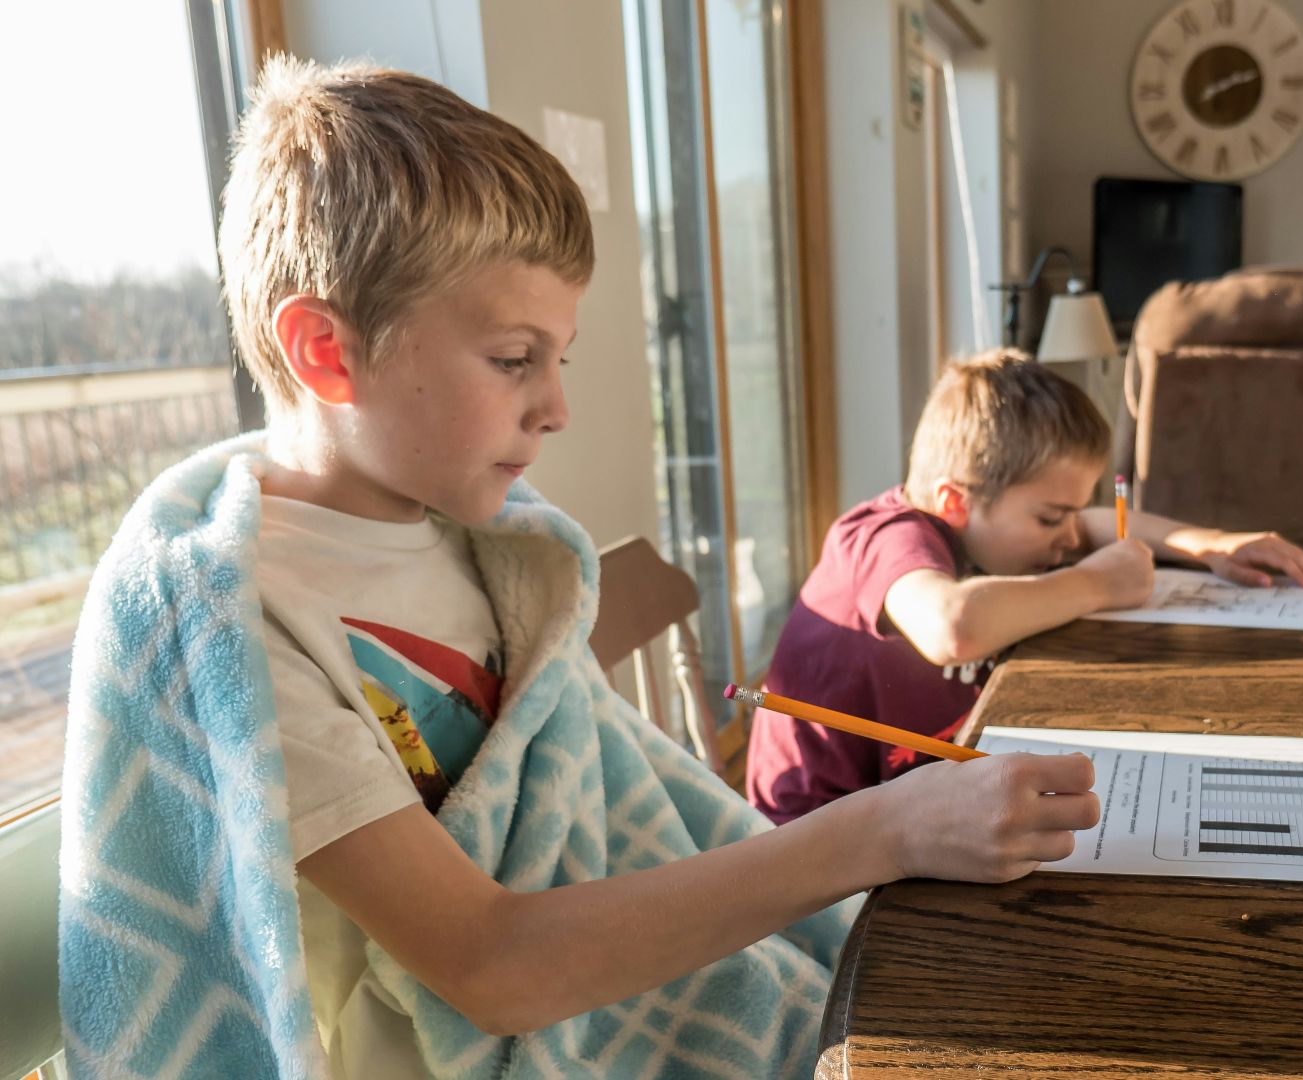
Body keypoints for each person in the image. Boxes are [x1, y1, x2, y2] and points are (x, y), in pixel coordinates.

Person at [58, 59, 1097, 1080]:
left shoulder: (491, 542)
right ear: (327, 352)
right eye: (514, 359)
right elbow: (493, 965)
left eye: (561, 358)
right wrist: (887, 828)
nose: (556, 407)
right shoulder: (235, 627)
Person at [746, 349, 1303, 824]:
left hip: (917, 796)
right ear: (955, 501)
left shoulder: (981, 525)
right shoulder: (883, 535)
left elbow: (1093, 525)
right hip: (819, 843)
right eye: (1050, 518)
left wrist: (1204, 544)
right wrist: (1095, 584)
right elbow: (953, 626)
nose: (1066, 536)